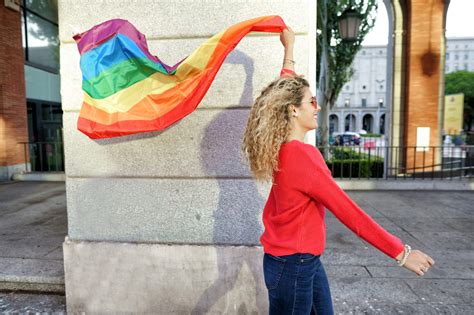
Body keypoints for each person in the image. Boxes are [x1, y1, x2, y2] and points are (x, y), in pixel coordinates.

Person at [241, 26, 435, 315]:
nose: (317, 108)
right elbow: (348, 211)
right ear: (294, 110)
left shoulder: (279, 145)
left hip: (298, 261)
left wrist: (290, 48)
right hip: (293, 265)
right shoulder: (304, 156)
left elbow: (285, 90)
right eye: (312, 102)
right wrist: (401, 253)